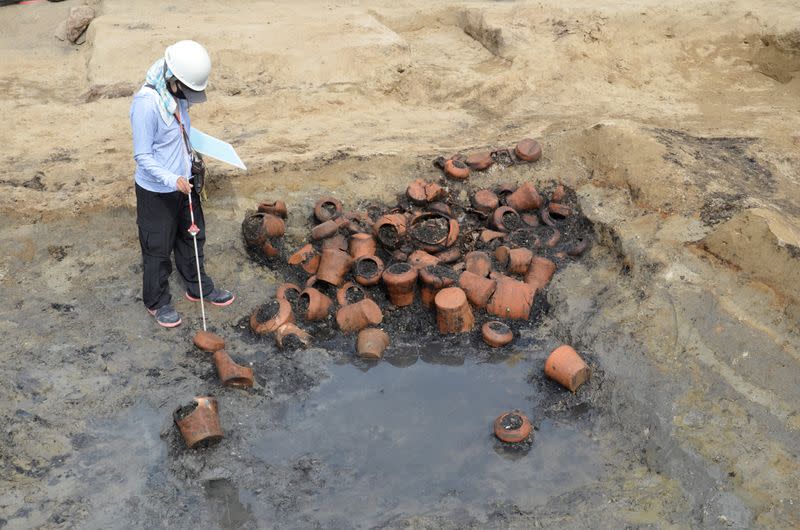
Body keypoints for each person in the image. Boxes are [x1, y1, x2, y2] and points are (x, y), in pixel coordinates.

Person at [130, 40, 234, 328]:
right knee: (157, 249)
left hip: (184, 185)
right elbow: (142, 155)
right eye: (188, 90)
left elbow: (180, 133)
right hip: (157, 192)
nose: (190, 97)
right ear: (173, 79)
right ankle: (157, 301)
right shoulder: (146, 104)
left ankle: (197, 285)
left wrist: (187, 170)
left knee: (192, 237)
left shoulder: (176, 94)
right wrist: (171, 179)